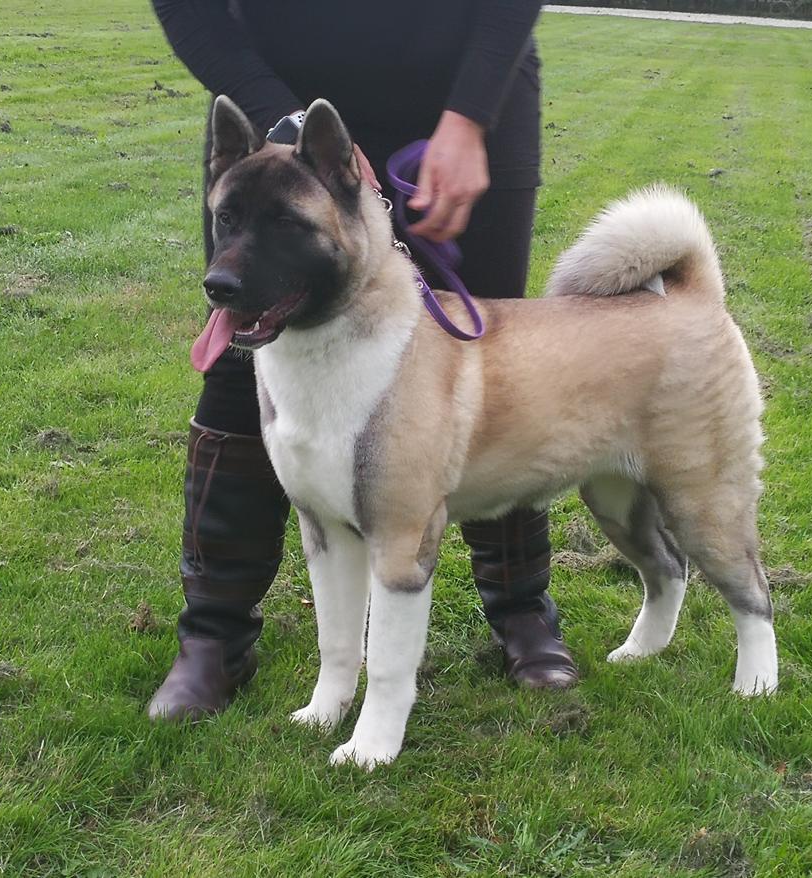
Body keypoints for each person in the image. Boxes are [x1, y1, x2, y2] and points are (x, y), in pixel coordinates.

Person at [147, 0, 580, 721]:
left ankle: (522, 610)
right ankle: (215, 637)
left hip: (463, 93)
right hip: (278, 106)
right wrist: (275, 116)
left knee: (488, 358)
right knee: (241, 352)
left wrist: (472, 113)